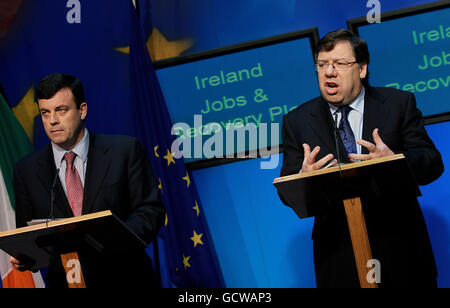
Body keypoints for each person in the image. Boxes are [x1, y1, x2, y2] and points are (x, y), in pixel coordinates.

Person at [279, 29, 444, 288]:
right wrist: (303, 179)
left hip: (401, 251)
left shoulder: (398, 103)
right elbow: (287, 191)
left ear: (362, 68)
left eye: (340, 64)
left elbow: (432, 163)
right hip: (340, 258)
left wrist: (396, 160)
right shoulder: (297, 122)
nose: (329, 72)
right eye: (322, 65)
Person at [10, 73, 166, 288]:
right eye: (45, 113)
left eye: (61, 110)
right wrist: (25, 257)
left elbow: (150, 209)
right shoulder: (25, 171)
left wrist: (112, 242)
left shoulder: (123, 151)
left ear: (82, 110)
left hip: (126, 277)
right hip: (66, 282)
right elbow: (28, 234)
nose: (52, 120)